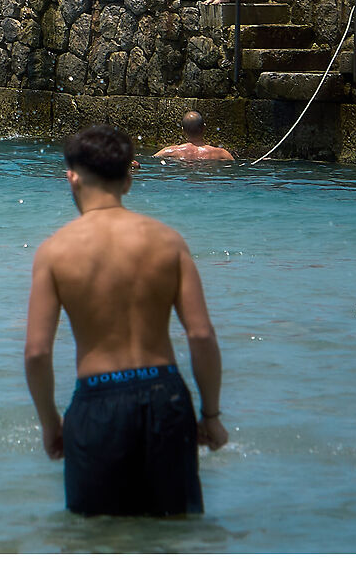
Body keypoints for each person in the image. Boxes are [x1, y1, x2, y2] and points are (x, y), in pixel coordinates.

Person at [23, 124, 226, 518]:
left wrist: (51, 423)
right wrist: (211, 416)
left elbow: (36, 353)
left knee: (96, 543)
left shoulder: (54, 252)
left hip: (97, 401)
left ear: (72, 177)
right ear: (129, 179)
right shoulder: (168, 241)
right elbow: (201, 335)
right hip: (164, 397)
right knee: (174, 535)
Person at [151, 112, 235, 162]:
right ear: (204, 128)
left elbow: (153, 159)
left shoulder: (169, 151)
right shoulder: (221, 154)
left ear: (183, 130)